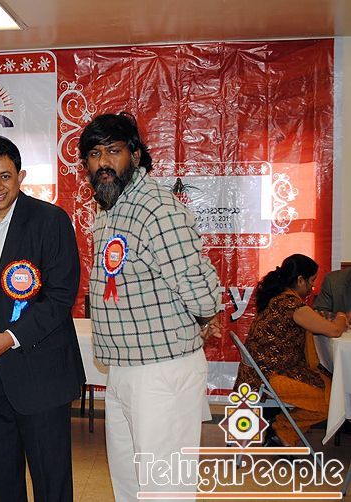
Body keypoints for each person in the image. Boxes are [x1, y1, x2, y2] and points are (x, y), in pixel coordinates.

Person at [80, 112, 221, 500]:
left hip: (162, 371)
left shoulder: (157, 208)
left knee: (165, 488)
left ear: (136, 155)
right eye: (94, 154)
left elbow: (198, 287)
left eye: (114, 151)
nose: (103, 162)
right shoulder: (110, 209)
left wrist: (207, 313)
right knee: (129, 485)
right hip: (124, 369)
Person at [0, 135, 84, 502]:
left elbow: (60, 296)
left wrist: (9, 338)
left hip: (39, 369)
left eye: (5, 176)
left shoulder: (50, 220)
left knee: (50, 481)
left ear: (20, 176)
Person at [235, 254, 347, 446]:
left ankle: (280, 432)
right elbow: (334, 330)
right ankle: (282, 430)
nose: (312, 287)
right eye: (311, 281)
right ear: (300, 280)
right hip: (270, 377)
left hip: (261, 373)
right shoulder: (291, 304)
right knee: (333, 398)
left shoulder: (278, 298)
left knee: (330, 387)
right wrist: (342, 317)